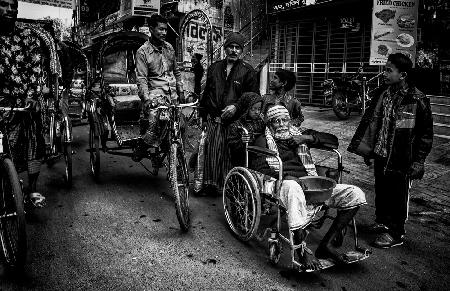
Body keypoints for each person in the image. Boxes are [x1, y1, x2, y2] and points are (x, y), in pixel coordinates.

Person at [250, 105, 366, 270]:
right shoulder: (263, 140)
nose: (282, 124)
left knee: (355, 193)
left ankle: (326, 246)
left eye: (285, 120)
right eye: (277, 121)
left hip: (310, 184)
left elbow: (334, 141)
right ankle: (301, 249)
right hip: (284, 185)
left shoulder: (299, 133)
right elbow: (260, 168)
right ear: (270, 124)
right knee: (292, 186)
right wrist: (284, 177)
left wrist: (307, 139)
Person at [348, 53, 433, 248]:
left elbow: (425, 134)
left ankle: (396, 233)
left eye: (388, 70)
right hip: (380, 153)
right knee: (382, 191)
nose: (384, 73)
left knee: (398, 194)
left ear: (402, 75)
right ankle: (382, 222)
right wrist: (368, 151)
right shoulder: (382, 93)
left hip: (401, 157)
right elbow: (373, 122)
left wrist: (419, 161)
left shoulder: (417, 99)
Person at [196, 32, 259, 194]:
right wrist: (202, 115)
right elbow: (207, 93)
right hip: (214, 120)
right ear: (225, 48)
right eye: (231, 46)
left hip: (234, 124)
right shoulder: (214, 67)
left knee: (228, 156)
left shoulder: (248, 71)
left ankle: (228, 188)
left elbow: (253, 98)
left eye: (237, 48)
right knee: (210, 152)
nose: (234, 50)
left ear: (241, 51)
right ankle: (210, 186)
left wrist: (237, 107)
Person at [0, 0, 46, 207]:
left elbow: (36, 67)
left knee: (33, 144)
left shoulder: (28, 36)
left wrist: (32, 95)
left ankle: (33, 189)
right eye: (4, 4)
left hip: (26, 101)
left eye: (13, 6)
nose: (10, 10)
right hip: (2, 102)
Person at [135, 14, 184, 165]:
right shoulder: (142, 52)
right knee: (155, 118)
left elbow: (176, 71)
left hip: (173, 95)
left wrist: (181, 91)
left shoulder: (169, 48)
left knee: (181, 126)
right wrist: (146, 98)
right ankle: (144, 145)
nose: (163, 32)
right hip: (155, 95)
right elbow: (141, 78)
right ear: (151, 29)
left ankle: (177, 163)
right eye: (160, 29)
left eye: (165, 30)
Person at [227, 92, 265, 167]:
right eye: (253, 109)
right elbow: (232, 145)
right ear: (246, 108)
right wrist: (241, 141)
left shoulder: (260, 123)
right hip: (242, 161)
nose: (257, 112)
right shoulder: (236, 125)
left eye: (259, 109)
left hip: (258, 159)